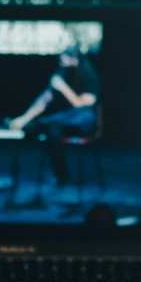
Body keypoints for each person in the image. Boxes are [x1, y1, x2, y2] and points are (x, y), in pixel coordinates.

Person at [9, 46, 100, 185]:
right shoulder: (63, 72)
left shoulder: (88, 74)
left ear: (74, 59)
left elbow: (82, 105)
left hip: (85, 119)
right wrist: (24, 118)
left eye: (64, 60)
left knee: (52, 125)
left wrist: (63, 88)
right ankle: (62, 176)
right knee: (49, 128)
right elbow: (45, 99)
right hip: (66, 118)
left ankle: (62, 177)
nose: (61, 63)